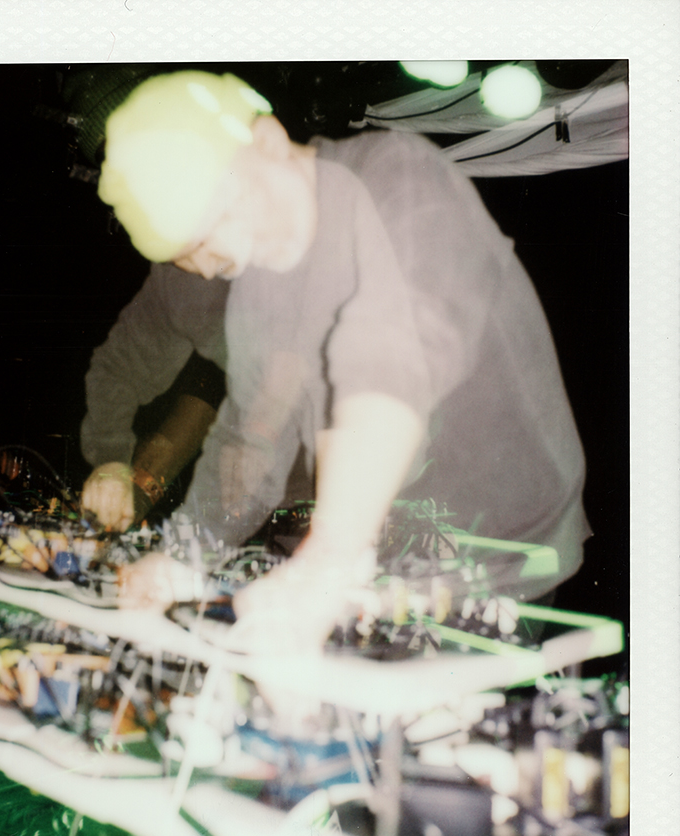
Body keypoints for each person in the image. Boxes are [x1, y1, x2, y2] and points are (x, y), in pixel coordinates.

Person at [79, 70, 590, 648]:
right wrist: (181, 557)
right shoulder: (259, 288)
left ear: (269, 141)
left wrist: (328, 556)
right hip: (387, 550)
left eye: (214, 222)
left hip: (497, 546)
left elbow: (393, 361)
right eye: (188, 251)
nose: (209, 261)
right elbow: (251, 435)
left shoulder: (396, 176)